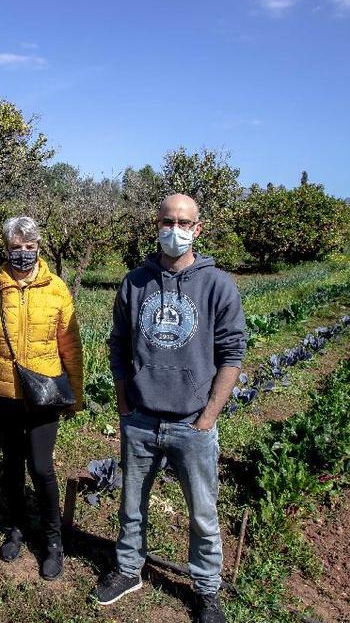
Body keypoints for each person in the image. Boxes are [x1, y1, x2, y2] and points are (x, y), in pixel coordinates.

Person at [93, 194, 246, 623]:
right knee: (131, 504)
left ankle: (207, 589)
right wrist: (124, 401)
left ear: (197, 229)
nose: (174, 230)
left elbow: (233, 353)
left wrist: (208, 416)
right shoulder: (135, 282)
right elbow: (118, 344)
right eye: (167, 221)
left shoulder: (217, 285)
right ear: (156, 225)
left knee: (203, 513)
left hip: (191, 423)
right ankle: (128, 570)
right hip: (140, 418)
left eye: (183, 222)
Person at [0, 216, 84, 580]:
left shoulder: (56, 289)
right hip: (2, 394)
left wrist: (75, 395)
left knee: (42, 467)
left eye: (29, 247)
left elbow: (71, 346)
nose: (23, 253)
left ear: (38, 248)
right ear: (6, 248)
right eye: (16, 247)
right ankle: (16, 527)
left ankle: (53, 540)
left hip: (44, 394)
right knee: (12, 465)